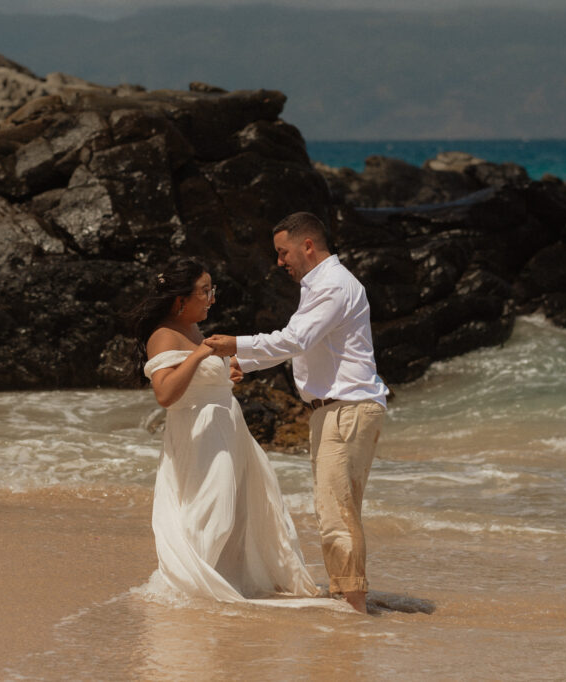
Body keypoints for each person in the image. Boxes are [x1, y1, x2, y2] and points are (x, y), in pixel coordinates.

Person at [205, 212, 388, 614]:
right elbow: (305, 345)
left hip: (347, 408)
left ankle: (354, 608)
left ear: (308, 245)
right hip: (338, 409)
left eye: (283, 252)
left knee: (336, 511)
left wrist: (233, 345)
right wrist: (247, 363)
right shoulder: (321, 285)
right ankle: (350, 598)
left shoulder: (333, 285)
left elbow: (295, 338)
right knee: (337, 508)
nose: (279, 261)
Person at [129, 257, 321, 604]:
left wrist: (224, 370)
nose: (211, 298)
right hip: (201, 434)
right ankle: (191, 587)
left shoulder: (192, 329)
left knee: (248, 506)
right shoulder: (164, 335)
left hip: (228, 428)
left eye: (211, 290)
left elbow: (199, 378)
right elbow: (166, 394)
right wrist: (202, 354)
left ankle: (232, 580)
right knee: (212, 511)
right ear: (179, 300)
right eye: (205, 291)